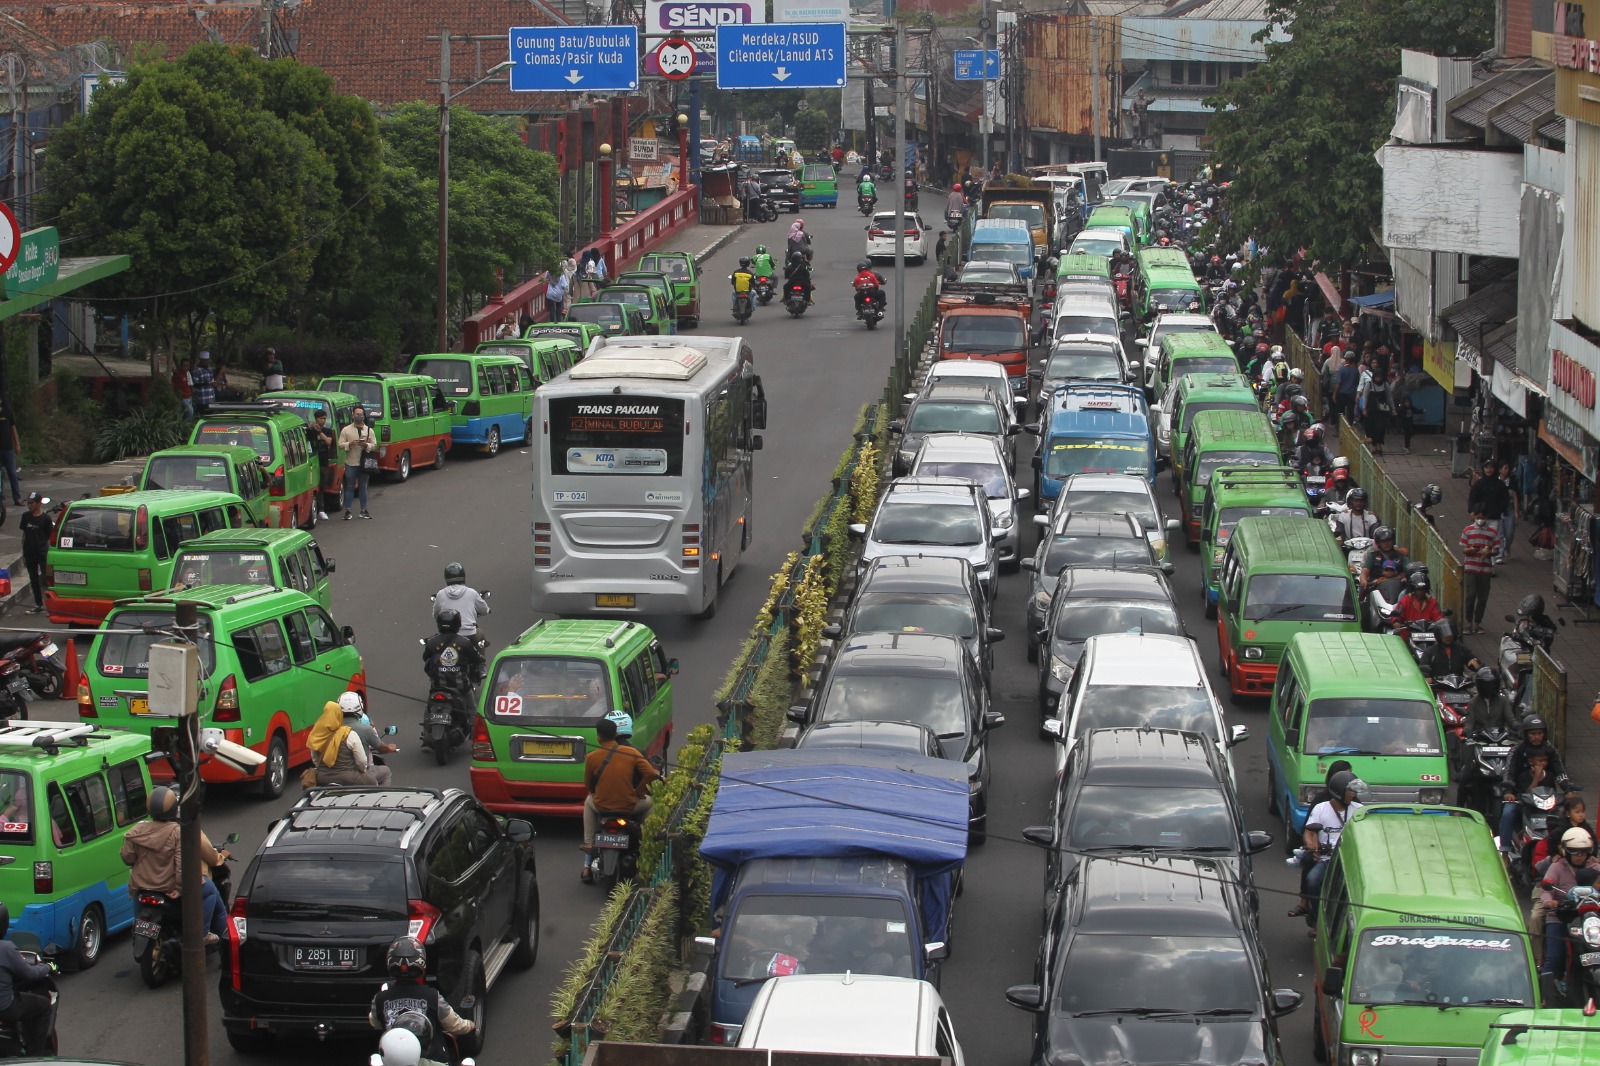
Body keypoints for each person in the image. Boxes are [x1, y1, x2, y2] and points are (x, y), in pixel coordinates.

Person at [120, 785, 230, 942]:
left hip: (143, 886)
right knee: (211, 891)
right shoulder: (178, 831)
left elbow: (127, 858)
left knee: (137, 894)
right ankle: (203, 934)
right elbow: (182, 866)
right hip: (170, 887)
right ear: (173, 808)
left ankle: (136, 930)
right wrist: (179, 889)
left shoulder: (137, 829)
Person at [369, 936, 475, 1066]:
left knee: (375, 1059)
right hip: (432, 1060)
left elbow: (375, 1022)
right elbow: (453, 1024)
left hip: (392, 1061)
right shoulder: (432, 996)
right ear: (421, 963)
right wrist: (469, 1025)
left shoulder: (380, 998)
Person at [581, 713, 661, 882]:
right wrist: (638, 791)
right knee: (650, 803)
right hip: (629, 806)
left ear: (598, 737)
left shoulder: (592, 757)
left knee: (588, 802)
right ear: (616, 734)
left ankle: (588, 844)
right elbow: (650, 774)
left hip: (602, 806)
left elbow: (588, 786)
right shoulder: (631, 753)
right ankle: (647, 843)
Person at [1291, 770, 1366, 926]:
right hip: (1326, 860)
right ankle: (1319, 919)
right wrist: (1312, 845)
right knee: (1312, 881)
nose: (1352, 795)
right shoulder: (1320, 808)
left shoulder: (1359, 809)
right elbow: (1309, 832)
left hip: (1348, 862)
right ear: (1339, 792)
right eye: (1349, 792)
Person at [1499, 715, 1571, 853]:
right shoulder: (1517, 750)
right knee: (1508, 814)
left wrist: (1568, 790)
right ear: (1526, 734)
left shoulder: (1550, 750)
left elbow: (1560, 771)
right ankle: (1505, 852)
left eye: (1539, 733)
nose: (1536, 737)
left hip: (1547, 799)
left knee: (1566, 815)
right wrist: (1508, 792)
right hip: (1520, 798)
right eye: (1533, 734)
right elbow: (1509, 772)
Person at [1540, 828, 1600, 990]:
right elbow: (1546, 890)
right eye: (1575, 852)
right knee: (1555, 957)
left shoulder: (1595, 867)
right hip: (1561, 917)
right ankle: (1544, 997)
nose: (1580, 856)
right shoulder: (1557, 867)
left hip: (1590, 920)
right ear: (1566, 852)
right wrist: (1550, 902)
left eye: (1583, 852)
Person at [0, 903, 53, 1054]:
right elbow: (29, 974)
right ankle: (34, 1055)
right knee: (43, 1006)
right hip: (5, 1009)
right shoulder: (6, 948)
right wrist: (48, 967)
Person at [309, 699, 377, 787]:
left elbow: (315, 759)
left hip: (322, 778)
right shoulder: (349, 734)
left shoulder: (317, 734)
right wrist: (362, 771)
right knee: (373, 783)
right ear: (339, 715)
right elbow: (362, 761)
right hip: (348, 778)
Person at [1460, 510, 1502, 634]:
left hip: (1485, 569)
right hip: (1470, 568)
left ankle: (1477, 623)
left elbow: (1496, 550)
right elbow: (1463, 549)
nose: (1480, 519)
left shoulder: (1492, 532)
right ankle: (1468, 623)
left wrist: (1489, 553)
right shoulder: (1467, 530)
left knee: (1482, 598)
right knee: (1470, 596)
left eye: (1482, 517)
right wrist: (1470, 550)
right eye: (1478, 517)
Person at [342, 691, 397, 786]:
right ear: (360, 706)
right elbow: (364, 761)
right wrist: (390, 748)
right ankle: (382, 799)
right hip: (357, 775)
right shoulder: (364, 729)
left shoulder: (332, 728)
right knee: (386, 772)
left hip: (333, 775)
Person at [431, 562, 490, 643]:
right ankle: (480, 656)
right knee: (480, 634)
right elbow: (484, 610)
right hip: (469, 634)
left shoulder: (441, 594)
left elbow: (435, 615)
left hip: (447, 635)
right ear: (463, 576)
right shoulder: (471, 592)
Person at [338, 407, 376, 520]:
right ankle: (348, 511)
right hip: (351, 462)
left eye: (361, 414)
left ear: (364, 416)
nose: (359, 416)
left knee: (363, 487)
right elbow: (340, 444)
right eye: (357, 414)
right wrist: (350, 444)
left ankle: (363, 510)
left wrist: (366, 445)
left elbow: (374, 446)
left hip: (364, 463)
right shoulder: (346, 430)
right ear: (352, 416)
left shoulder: (369, 430)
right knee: (349, 487)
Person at [18, 494, 51, 615]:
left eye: (32, 503)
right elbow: (24, 535)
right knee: (33, 579)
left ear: (38, 503)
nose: (29, 505)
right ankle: (38, 604)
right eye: (28, 503)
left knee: (46, 581)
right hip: (29, 552)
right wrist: (23, 551)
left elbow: (48, 536)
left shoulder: (45, 519)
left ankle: (50, 606)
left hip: (42, 553)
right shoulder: (25, 516)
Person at [1467, 666, 1519, 738]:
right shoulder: (1473, 702)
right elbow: (1470, 722)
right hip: (1480, 739)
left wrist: (1518, 727)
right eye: (1486, 686)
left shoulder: (1503, 701)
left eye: (1491, 685)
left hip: (1500, 738)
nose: (1489, 688)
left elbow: (1511, 719)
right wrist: (1467, 731)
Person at [1467, 459, 1512, 532]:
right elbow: (1472, 498)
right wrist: (1471, 511)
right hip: (1480, 517)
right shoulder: (1479, 484)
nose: (1489, 470)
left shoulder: (1500, 484)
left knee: (1492, 538)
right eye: (1486, 467)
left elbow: (1505, 499)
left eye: (1491, 467)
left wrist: (1498, 510)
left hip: (1494, 518)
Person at [308, 410, 335, 522]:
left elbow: (329, 442)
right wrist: (311, 429)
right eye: (320, 418)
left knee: (322, 486)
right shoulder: (310, 431)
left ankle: (321, 510)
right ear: (316, 419)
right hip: (311, 463)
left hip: (323, 462)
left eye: (324, 418)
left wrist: (320, 433)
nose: (323, 421)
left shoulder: (327, 431)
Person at [1496, 461, 1521, 564]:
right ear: (1500, 470)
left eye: (1508, 468)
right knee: (1500, 533)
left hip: (1509, 509)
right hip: (1499, 510)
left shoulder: (1512, 482)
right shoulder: (1496, 481)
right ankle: (1500, 554)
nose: (1507, 470)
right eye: (1505, 468)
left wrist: (1516, 511)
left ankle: (1507, 547)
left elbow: (1515, 496)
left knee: (1510, 532)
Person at [0, 404, 21, 507]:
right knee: (0, 475)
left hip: (8, 449)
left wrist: (17, 443)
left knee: (13, 474)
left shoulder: (7, 412)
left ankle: (17, 498)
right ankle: (1, 499)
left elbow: (13, 428)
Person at [1335, 350, 1360, 423]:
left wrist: (1335, 393)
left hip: (1342, 393)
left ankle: (1339, 428)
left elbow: (1338, 383)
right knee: (1350, 411)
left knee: (1340, 412)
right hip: (1352, 394)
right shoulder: (1356, 370)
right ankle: (1350, 426)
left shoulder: (1342, 369)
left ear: (1346, 359)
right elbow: (1357, 382)